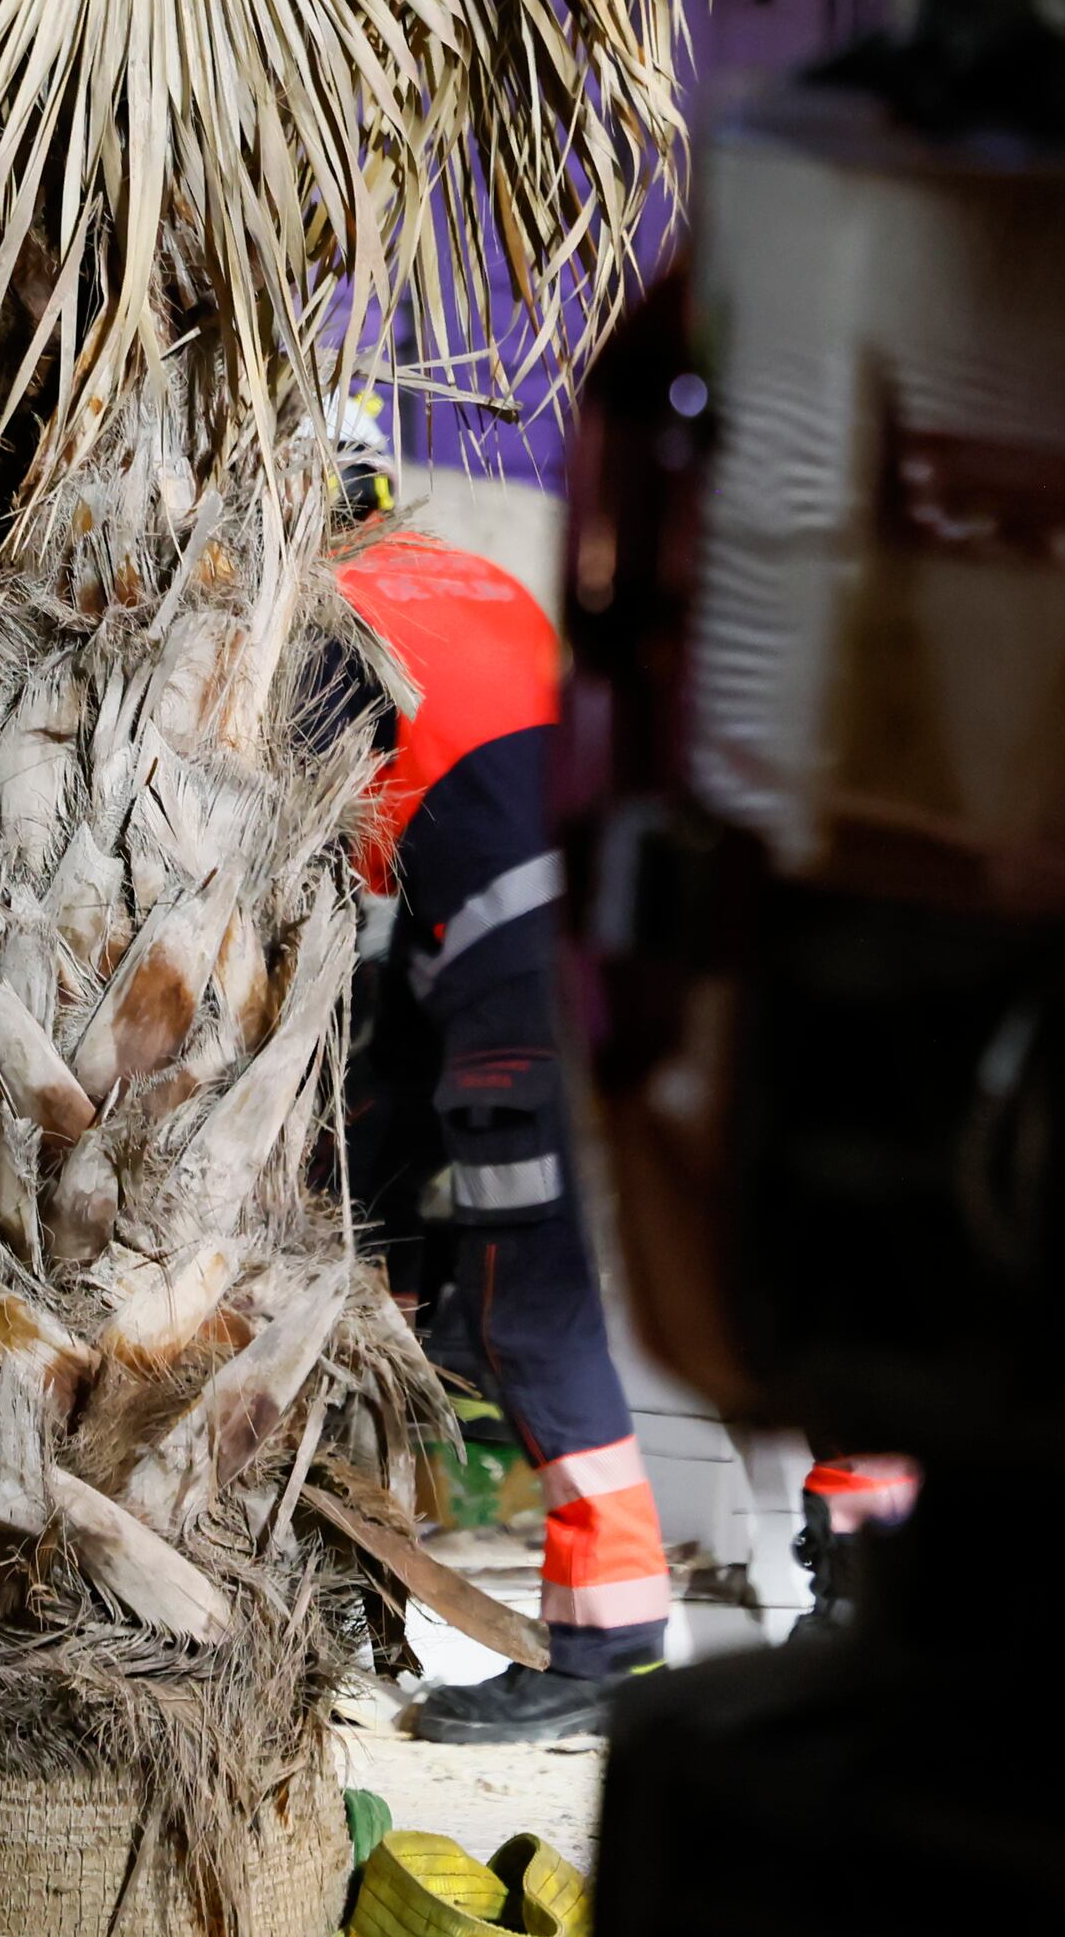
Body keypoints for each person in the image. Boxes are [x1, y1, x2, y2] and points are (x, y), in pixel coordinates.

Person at [319, 446, 668, 1745]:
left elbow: (341, 906)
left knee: (530, 1300)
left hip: (509, 969)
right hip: (599, 944)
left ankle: (606, 1636)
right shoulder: (480, 582)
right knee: (504, 1293)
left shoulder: (324, 620)